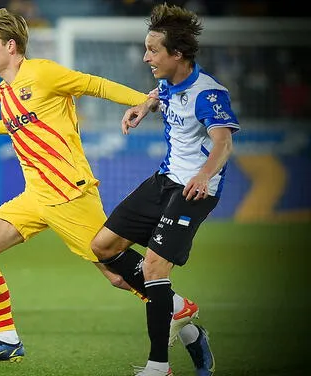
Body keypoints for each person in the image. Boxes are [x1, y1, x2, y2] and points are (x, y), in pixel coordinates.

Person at [0, 7, 186, 365]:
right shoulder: (4, 92)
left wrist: (144, 100)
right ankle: (7, 339)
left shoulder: (44, 74)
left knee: (118, 277)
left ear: (11, 46)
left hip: (69, 194)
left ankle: (182, 316)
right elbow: (17, 125)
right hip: (35, 196)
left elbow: (93, 84)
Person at [91, 3, 240, 375]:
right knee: (102, 247)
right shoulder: (167, 82)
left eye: (153, 50)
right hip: (165, 179)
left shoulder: (209, 93)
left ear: (178, 54)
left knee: (155, 266)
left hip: (195, 190)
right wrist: (144, 106)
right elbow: (160, 94)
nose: (145, 57)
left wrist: (204, 175)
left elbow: (223, 143)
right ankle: (178, 311)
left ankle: (158, 367)